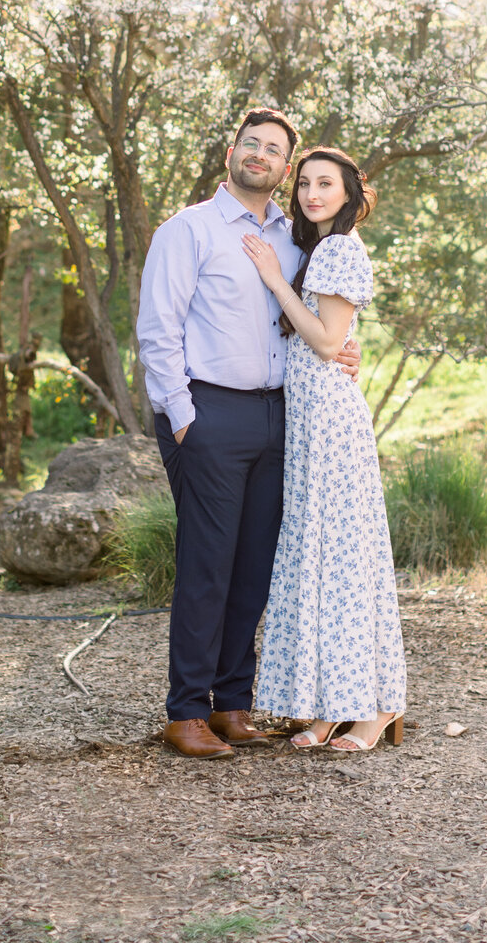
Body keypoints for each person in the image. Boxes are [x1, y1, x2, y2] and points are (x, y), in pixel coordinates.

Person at [136, 108, 362, 759]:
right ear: (231, 152)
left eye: (274, 150)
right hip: (210, 414)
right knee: (207, 567)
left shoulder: (296, 238)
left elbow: (324, 317)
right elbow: (159, 331)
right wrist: (183, 418)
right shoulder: (189, 231)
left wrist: (348, 350)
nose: (261, 155)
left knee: (255, 569)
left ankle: (233, 703)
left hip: (281, 416)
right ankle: (186, 712)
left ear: (286, 170)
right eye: (252, 144)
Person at [242, 146, 407, 751]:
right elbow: (333, 341)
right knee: (318, 559)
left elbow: (325, 338)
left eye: (326, 184)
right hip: (309, 422)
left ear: (348, 194)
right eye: (305, 183)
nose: (313, 194)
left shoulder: (338, 249)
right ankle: (329, 704)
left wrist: (274, 281)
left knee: (345, 560)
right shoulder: (318, 251)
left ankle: (376, 709)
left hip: (332, 427)